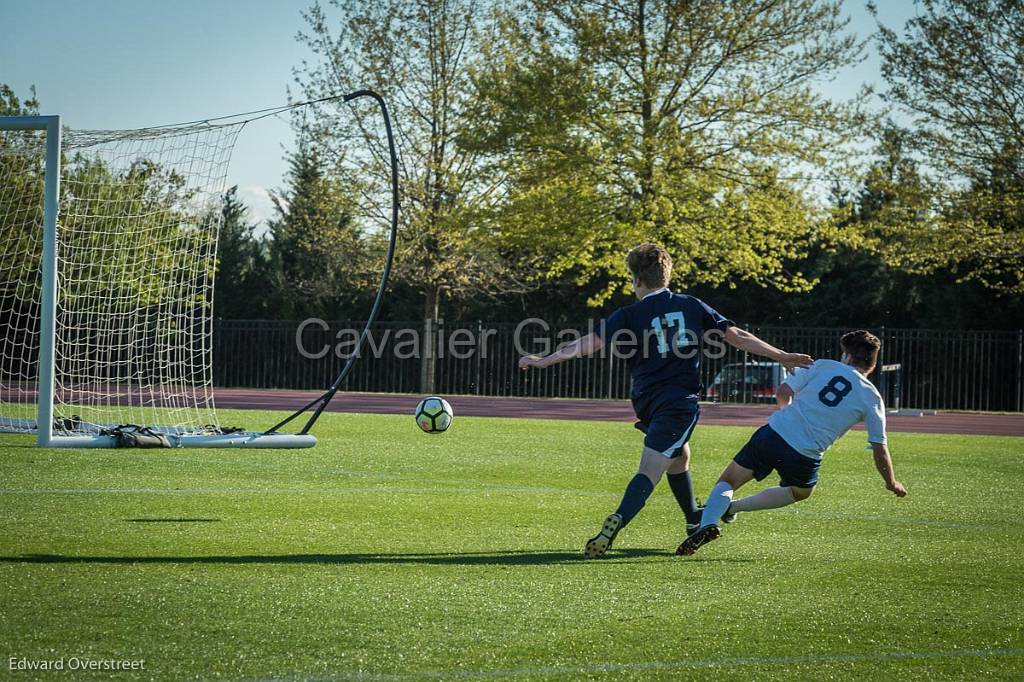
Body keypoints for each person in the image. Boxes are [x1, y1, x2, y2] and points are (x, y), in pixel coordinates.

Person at [518, 243, 813, 558]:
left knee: (680, 456)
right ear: (667, 275)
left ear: (637, 281)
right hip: (679, 402)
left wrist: (545, 360)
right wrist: (781, 355)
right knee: (650, 470)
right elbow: (736, 335)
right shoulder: (691, 305)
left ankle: (692, 518)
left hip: (646, 400)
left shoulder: (627, 314)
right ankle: (617, 521)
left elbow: (588, 344)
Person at [677, 329, 908, 557]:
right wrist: (891, 481)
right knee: (801, 491)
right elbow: (880, 447)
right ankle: (734, 507)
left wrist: (788, 414)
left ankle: (708, 521)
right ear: (873, 365)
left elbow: (783, 391)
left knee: (729, 481)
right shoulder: (872, 397)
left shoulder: (823, 365)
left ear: (847, 356)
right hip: (805, 453)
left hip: (775, 433)